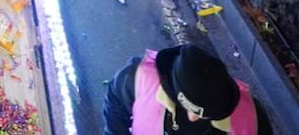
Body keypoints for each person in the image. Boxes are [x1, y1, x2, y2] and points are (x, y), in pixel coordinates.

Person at [102, 43, 272, 134]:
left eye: (202, 115)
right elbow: (116, 102)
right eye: (192, 109)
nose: (192, 118)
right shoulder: (138, 78)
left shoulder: (253, 119)